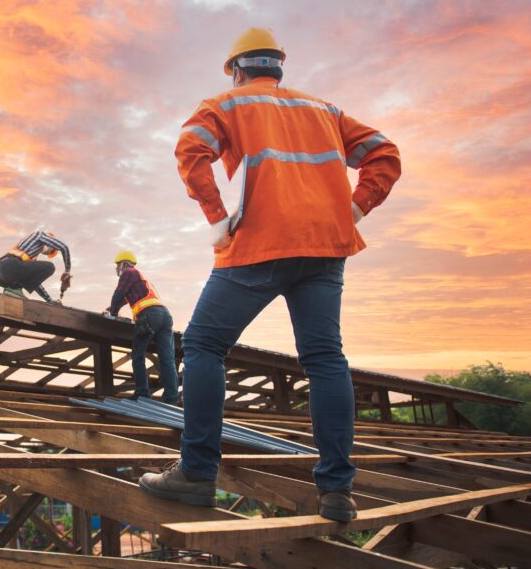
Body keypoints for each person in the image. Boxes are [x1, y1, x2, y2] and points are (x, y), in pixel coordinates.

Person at [138, 28, 401, 521]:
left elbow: (191, 150)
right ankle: (338, 491)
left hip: (261, 244)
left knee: (203, 346)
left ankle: (196, 473)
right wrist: (354, 210)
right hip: (325, 247)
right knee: (325, 358)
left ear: (237, 70)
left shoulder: (228, 104)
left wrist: (217, 219)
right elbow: (385, 154)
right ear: (279, 68)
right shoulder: (324, 110)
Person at [102, 250, 179, 404]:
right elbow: (124, 298)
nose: (117, 269)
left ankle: (142, 393)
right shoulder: (141, 279)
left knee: (138, 355)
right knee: (167, 359)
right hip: (165, 316)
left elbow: (119, 293)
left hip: (149, 316)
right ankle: (171, 400)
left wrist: (113, 314)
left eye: (117, 265)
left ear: (122, 264)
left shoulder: (128, 273)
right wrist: (112, 308)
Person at [0, 230, 72, 302]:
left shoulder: (30, 256)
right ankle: (15, 289)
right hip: (9, 267)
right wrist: (67, 271)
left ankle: (12, 289)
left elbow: (35, 282)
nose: (47, 254)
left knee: (33, 273)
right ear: (50, 243)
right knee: (50, 267)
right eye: (51, 251)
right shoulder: (40, 235)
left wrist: (49, 300)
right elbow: (64, 247)